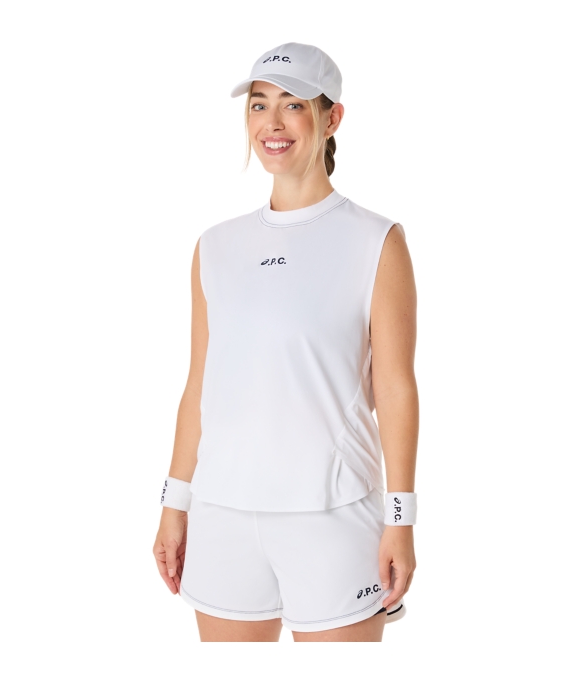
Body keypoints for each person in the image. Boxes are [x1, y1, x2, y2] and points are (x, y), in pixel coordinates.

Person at [152, 42, 419, 643]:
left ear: (332, 117)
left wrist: (401, 517)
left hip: (332, 515)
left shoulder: (376, 240)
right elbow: (200, 385)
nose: (271, 123)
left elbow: (396, 388)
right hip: (221, 514)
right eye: (258, 104)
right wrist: (175, 503)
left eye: (292, 104)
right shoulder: (216, 246)